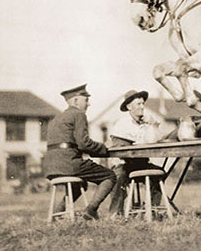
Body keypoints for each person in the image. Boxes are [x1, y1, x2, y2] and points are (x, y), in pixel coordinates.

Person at [45, 84, 116, 220]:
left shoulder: (56, 119)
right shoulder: (78, 114)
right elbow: (84, 144)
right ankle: (91, 210)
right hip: (69, 164)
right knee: (110, 176)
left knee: (80, 184)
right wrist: (104, 147)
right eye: (86, 100)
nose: (88, 104)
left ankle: (57, 212)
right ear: (76, 101)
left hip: (50, 166)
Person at [108, 90, 165, 217]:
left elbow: (159, 139)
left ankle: (152, 210)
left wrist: (154, 125)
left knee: (159, 173)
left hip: (141, 162)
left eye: (143, 103)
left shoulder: (146, 122)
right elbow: (119, 149)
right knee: (117, 176)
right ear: (129, 107)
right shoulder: (122, 124)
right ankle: (115, 213)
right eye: (138, 104)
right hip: (124, 163)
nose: (142, 107)